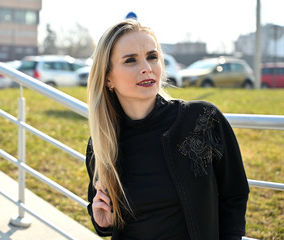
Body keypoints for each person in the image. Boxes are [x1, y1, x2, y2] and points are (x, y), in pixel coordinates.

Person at [85, 19, 249, 240]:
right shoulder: (102, 144)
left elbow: (235, 194)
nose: (146, 68)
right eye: (130, 60)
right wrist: (103, 223)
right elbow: (104, 217)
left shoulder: (203, 120)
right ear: (107, 78)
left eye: (152, 57)